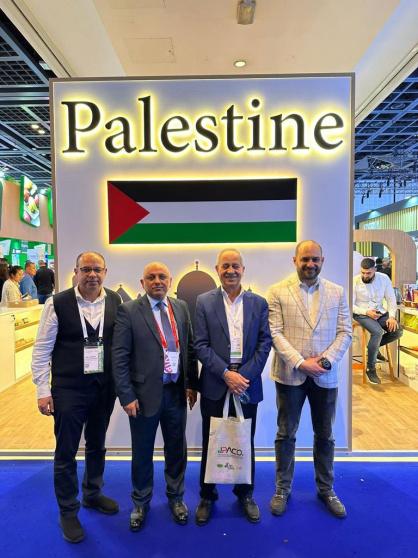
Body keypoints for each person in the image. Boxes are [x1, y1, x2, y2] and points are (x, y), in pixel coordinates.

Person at [31, 252, 121, 543]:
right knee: (66, 451)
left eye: (97, 269)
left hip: (103, 388)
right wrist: (43, 390)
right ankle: (68, 510)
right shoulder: (56, 303)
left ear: (105, 272)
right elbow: (42, 349)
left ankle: (92, 493)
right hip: (68, 388)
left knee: (97, 444)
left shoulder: (116, 301)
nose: (92, 275)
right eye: (86, 269)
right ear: (76, 272)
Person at [267, 240, 352, 519]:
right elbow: (275, 333)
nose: (310, 264)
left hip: (325, 376)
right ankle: (282, 489)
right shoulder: (277, 291)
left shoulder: (337, 292)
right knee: (285, 434)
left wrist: (325, 362)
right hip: (289, 374)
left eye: (315, 259)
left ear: (322, 261)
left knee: (325, 435)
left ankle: (326, 489)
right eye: (305, 259)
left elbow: (345, 332)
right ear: (295, 260)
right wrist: (302, 363)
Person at [112, 262, 198, 531]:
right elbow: (119, 356)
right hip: (142, 396)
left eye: (162, 277)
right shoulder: (129, 310)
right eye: (151, 277)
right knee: (142, 452)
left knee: (177, 449)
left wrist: (191, 384)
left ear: (170, 281)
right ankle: (140, 502)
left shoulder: (181, 307)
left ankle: (176, 497)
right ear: (142, 282)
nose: (157, 281)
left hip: (175, 392)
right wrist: (126, 395)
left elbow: (189, 348)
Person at [194, 249, 272, 525]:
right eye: (225, 266)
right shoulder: (204, 302)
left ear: (243, 269)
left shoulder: (259, 303)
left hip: (247, 384)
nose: (231, 270)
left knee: (243, 440)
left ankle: (245, 494)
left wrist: (243, 376)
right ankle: (207, 495)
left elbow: (265, 343)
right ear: (217, 269)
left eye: (235, 266)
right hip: (216, 382)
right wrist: (227, 374)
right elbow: (200, 345)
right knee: (212, 440)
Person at [353, 257, 403, 384]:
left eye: (368, 273)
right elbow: (350, 305)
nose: (365, 275)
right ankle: (371, 369)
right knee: (378, 332)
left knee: (398, 331)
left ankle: (372, 348)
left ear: (375, 269)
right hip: (361, 313)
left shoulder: (384, 278)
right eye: (363, 272)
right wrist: (366, 312)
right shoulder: (355, 281)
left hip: (379, 312)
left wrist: (391, 317)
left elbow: (391, 299)